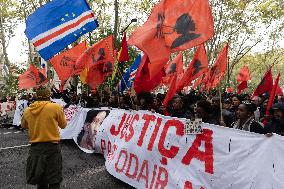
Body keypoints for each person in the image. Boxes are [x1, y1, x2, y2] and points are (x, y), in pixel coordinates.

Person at [21, 86, 67, 189]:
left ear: (36, 96)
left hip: (36, 148)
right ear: (49, 95)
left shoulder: (28, 110)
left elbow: (24, 125)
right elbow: (63, 125)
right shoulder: (55, 107)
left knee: (40, 180)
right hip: (52, 148)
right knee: (54, 180)